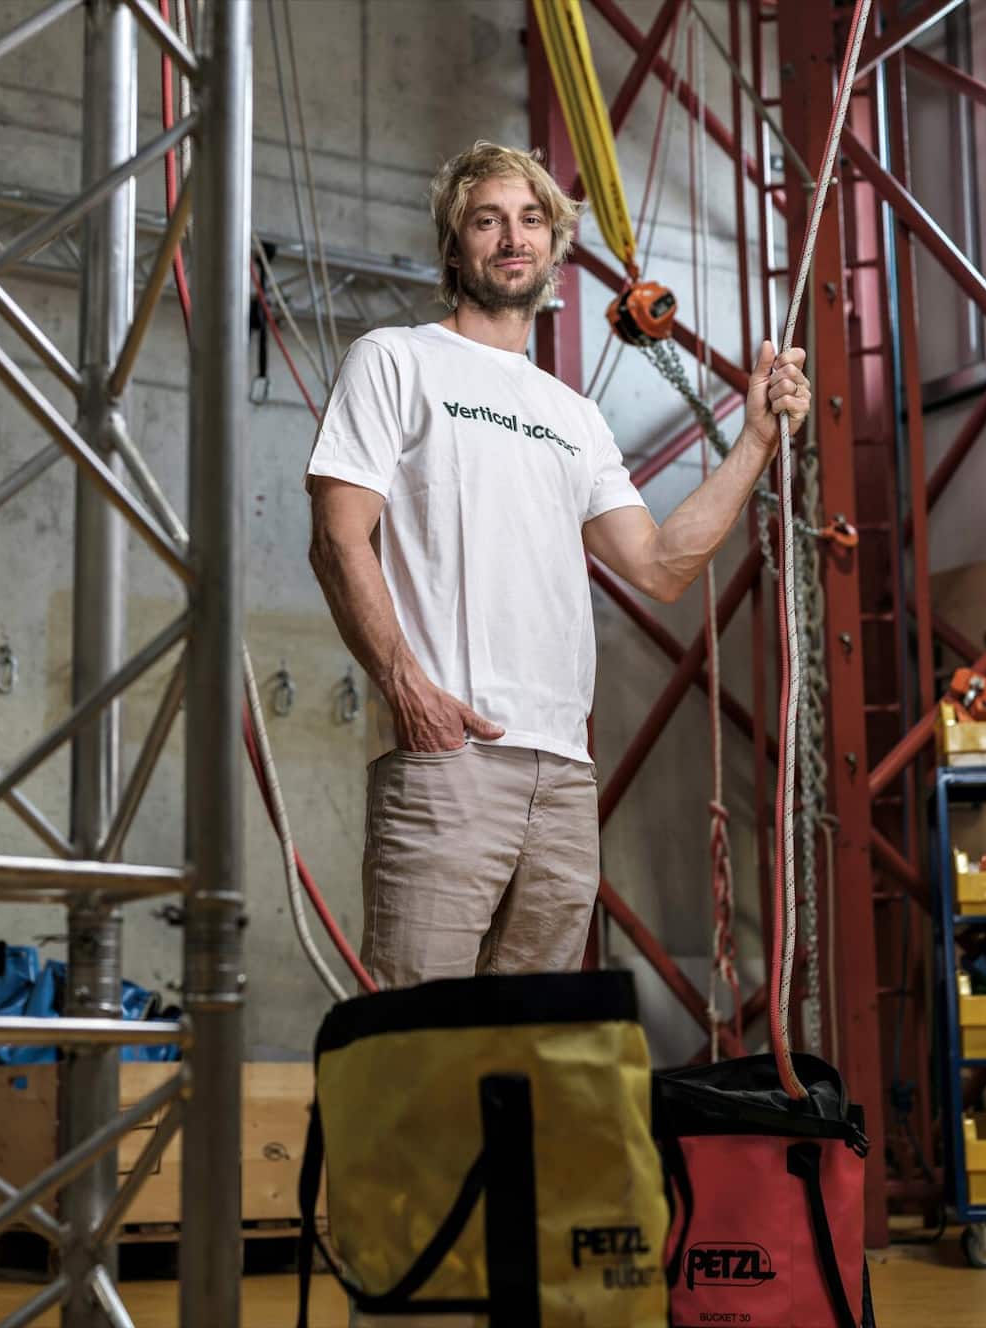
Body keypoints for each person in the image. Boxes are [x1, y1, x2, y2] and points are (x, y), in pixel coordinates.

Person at [305, 141, 811, 990]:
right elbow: (337, 539)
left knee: (529, 1059)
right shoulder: (395, 360)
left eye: (532, 220)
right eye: (488, 220)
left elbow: (659, 566)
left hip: (566, 782)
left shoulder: (572, 414)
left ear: (553, 245)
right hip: (448, 757)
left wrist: (756, 440)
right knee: (412, 1048)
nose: (513, 237)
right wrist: (408, 692)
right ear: (455, 245)